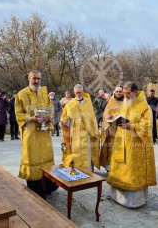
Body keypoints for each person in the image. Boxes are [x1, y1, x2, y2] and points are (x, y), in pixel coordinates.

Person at [107, 82, 157, 208]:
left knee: (131, 172)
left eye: (128, 93)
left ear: (135, 92)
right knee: (119, 168)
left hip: (135, 146)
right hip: (121, 142)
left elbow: (148, 125)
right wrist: (112, 118)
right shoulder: (125, 103)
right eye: (124, 93)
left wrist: (132, 126)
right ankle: (116, 196)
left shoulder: (145, 106)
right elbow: (121, 117)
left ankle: (133, 201)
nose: (126, 96)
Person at [15, 70, 58, 198]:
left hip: (44, 132)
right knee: (33, 158)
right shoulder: (21, 94)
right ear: (29, 78)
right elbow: (18, 114)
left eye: (39, 79)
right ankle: (36, 190)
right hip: (30, 133)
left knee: (46, 158)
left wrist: (49, 117)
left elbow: (51, 109)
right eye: (34, 78)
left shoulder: (44, 93)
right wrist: (32, 118)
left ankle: (48, 186)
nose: (37, 81)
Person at [60, 84, 100, 170]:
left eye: (80, 92)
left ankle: (89, 171)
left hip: (87, 132)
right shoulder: (70, 104)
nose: (78, 94)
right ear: (74, 92)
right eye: (77, 92)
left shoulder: (88, 102)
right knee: (76, 151)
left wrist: (94, 129)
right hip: (75, 133)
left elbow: (92, 117)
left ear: (82, 92)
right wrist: (62, 123)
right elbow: (64, 117)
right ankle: (77, 170)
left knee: (88, 152)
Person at [100, 85, 124, 171]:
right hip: (112, 130)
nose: (118, 93)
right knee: (111, 149)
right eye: (117, 91)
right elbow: (105, 115)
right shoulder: (111, 101)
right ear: (114, 92)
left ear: (122, 92)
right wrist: (108, 117)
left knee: (121, 149)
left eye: (120, 91)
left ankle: (121, 168)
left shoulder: (126, 102)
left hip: (123, 129)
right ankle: (110, 168)